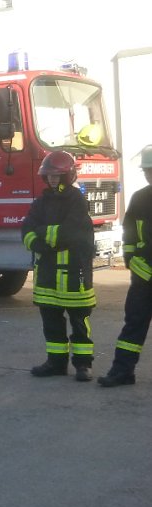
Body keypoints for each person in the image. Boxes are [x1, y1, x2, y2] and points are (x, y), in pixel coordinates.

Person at [22, 151, 96, 381]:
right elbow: (26, 230)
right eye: (49, 175)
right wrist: (42, 238)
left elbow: (71, 233)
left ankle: (83, 366)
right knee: (51, 323)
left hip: (75, 274)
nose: (52, 179)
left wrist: (43, 234)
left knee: (79, 322)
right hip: (47, 276)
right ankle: (56, 363)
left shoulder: (77, 200)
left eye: (57, 175)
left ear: (68, 175)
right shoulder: (41, 201)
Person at [98, 145, 152, 387]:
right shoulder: (140, 198)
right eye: (147, 171)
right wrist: (132, 261)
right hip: (143, 277)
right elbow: (130, 234)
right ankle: (122, 372)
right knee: (133, 326)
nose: (149, 175)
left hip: (144, 274)